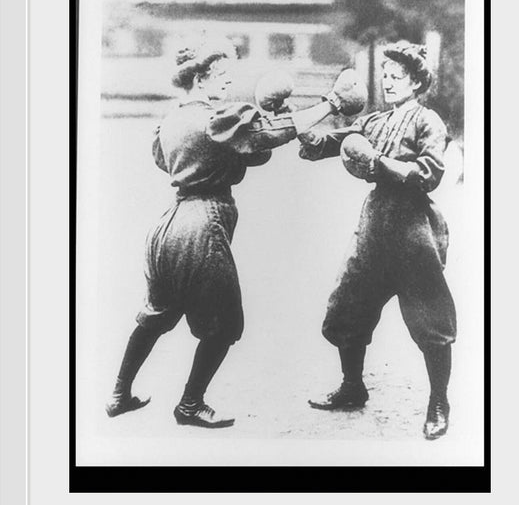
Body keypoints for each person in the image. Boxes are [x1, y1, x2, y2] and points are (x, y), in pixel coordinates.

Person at [105, 37, 366, 428]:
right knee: (225, 326)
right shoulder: (215, 119)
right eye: (222, 76)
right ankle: (190, 405)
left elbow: (240, 151)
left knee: (157, 315)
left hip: (168, 226)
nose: (228, 83)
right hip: (203, 225)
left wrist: (265, 119)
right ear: (202, 77)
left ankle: (118, 394)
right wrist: (329, 103)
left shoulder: (172, 120)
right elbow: (265, 137)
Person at [298, 41, 457, 440]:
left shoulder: (428, 122)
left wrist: (379, 163)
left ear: (417, 81)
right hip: (374, 225)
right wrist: (299, 124)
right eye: (385, 76)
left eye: (396, 76)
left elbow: (430, 172)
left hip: (411, 229)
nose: (387, 83)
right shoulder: (374, 122)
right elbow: (328, 145)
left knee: (431, 321)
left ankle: (439, 401)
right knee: (346, 308)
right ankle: (352, 387)